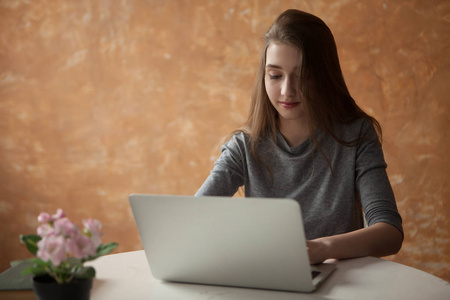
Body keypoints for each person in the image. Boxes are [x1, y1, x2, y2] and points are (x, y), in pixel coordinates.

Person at [195, 9, 403, 264]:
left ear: (324, 76)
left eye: (302, 75)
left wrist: (322, 248)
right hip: (268, 279)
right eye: (275, 75)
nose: (287, 90)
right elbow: (194, 219)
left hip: (341, 282)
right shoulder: (244, 146)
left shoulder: (356, 135)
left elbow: (390, 233)